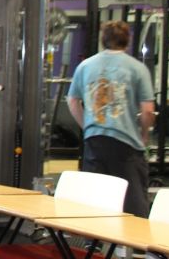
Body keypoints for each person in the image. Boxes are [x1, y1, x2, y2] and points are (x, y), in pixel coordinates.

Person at [67, 20, 156, 217]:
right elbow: (148, 111)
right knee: (133, 203)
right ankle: (136, 245)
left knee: (94, 199)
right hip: (126, 143)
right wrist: (143, 135)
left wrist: (87, 126)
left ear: (103, 40)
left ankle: (93, 244)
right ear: (128, 40)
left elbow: (73, 101)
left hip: (94, 140)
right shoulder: (137, 68)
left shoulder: (85, 66)